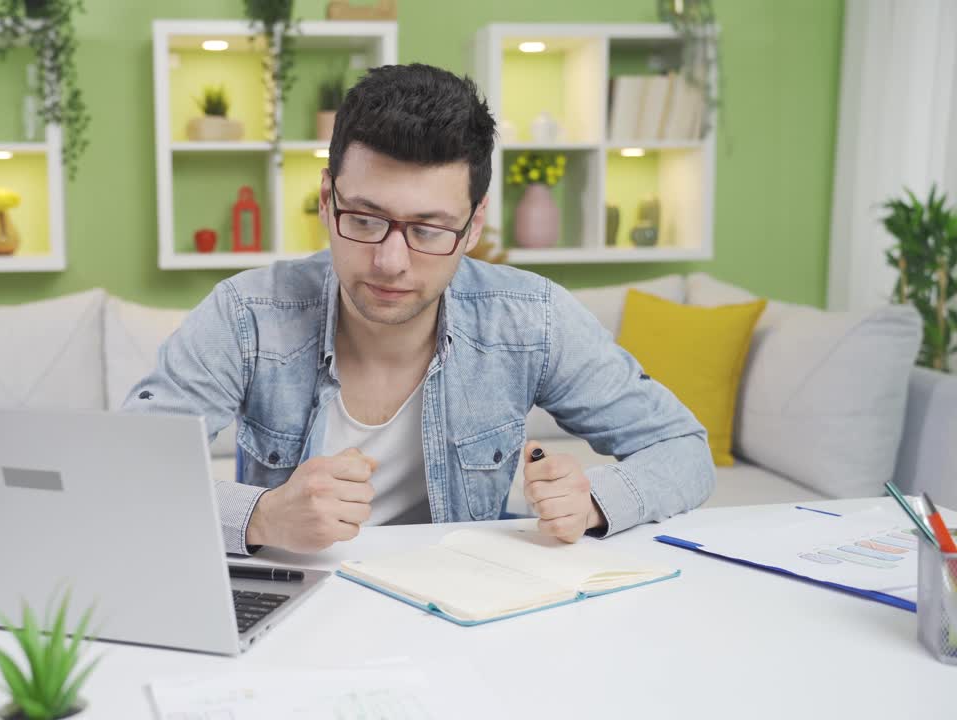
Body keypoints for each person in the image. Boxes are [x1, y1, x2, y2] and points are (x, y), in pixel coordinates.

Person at [123, 63, 714, 555]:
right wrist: (263, 516)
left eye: (429, 229)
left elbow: (684, 448)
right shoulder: (247, 315)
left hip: (464, 611)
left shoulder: (530, 318)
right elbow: (123, 470)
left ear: (474, 224)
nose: (390, 261)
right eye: (364, 219)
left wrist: (593, 501)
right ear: (327, 202)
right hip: (294, 607)